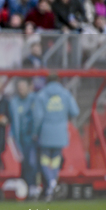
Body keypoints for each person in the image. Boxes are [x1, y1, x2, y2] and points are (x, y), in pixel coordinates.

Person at [32, 71, 79, 202]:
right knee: (56, 159)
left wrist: (35, 132)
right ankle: (52, 185)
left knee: (45, 159)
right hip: (60, 131)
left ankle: (51, 183)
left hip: (46, 131)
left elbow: (38, 117)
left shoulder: (41, 95)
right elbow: (75, 111)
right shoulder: (65, 93)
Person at [9, 79, 39, 200]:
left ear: (28, 87)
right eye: (19, 87)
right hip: (18, 139)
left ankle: (32, 188)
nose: (21, 89)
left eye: (23, 87)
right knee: (23, 164)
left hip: (32, 139)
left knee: (32, 163)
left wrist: (35, 133)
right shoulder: (14, 102)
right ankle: (25, 190)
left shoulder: (34, 100)